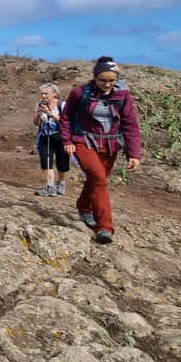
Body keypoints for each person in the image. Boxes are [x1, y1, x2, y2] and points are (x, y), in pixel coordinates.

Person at [59, 56, 142, 244]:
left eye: (111, 80)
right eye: (102, 80)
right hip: (82, 140)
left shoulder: (123, 95)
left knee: (97, 180)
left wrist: (134, 154)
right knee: (99, 180)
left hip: (110, 144)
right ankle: (104, 227)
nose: (107, 84)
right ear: (95, 77)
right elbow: (65, 118)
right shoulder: (79, 93)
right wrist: (67, 140)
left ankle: (84, 207)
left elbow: (130, 125)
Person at [33, 83, 70, 197]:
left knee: (62, 163)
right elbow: (35, 123)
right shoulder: (39, 105)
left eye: (46, 93)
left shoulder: (62, 105)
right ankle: (50, 186)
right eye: (42, 94)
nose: (43, 96)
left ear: (54, 94)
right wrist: (39, 115)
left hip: (60, 137)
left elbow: (65, 122)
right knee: (46, 161)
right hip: (45, 137)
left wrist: (50, 114)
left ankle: (61, 183)